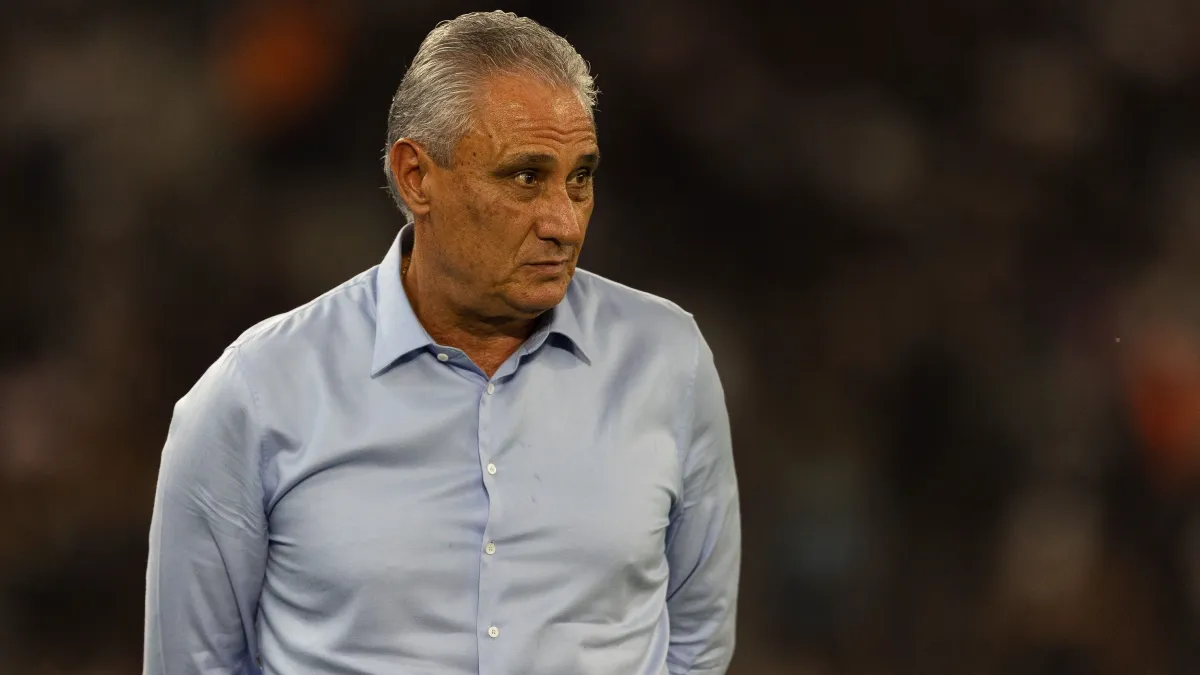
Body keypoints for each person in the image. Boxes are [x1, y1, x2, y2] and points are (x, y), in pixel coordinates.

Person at [143, 11, 740, 675]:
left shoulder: (668, 360)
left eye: (580, 177)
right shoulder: (255, 393)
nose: (564, 223)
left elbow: (698, 641)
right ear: (415, 176)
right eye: (526, 177)